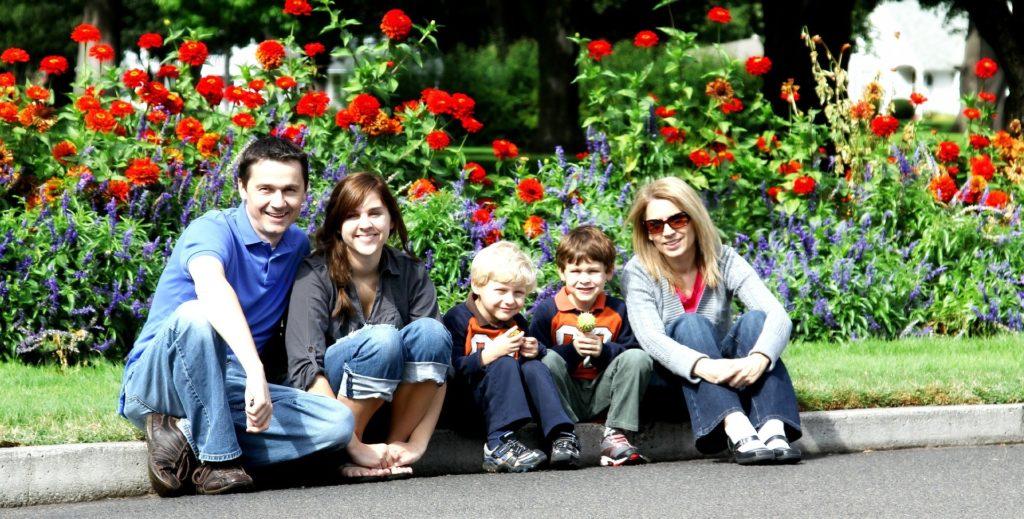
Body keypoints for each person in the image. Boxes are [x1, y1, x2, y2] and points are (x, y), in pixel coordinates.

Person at [118, 135, 378, 497]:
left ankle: (178, 434)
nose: (278, 202)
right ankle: (219, 462)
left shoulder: (296, 245)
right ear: (241, 187)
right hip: (161, 381)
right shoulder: (211, 229)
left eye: (290, 190)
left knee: (336, 424)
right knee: (197, 314)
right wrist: (255, 369)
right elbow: (212, 289)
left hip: (232, 387)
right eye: (265, 189)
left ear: (304, 192)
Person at [620, 176, 802, 465]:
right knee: (691, 324)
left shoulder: (722, 258)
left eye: (677, 220)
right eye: (656, 225)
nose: (668, 232)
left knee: (757, 320)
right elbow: (651, 339)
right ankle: (737, 429)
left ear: (694, 219)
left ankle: (772, 429)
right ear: (648, 234)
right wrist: (705, 367)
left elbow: (778, 315)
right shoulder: (637, 271)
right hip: (673, 385)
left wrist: (759, 358)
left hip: (723, 377)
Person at [283, 172, 451, 481]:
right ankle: (345, 453)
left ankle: (390, 452)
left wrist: (416, 443)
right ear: (337, 224)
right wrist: (351, 443)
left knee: (433, 332)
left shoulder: (411, 272)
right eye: (352, 215)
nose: (366, 224)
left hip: (392, 410)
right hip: (329, 410)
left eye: (375, 213)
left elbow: (439, 368)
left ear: (390, 218)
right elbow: (304, 368)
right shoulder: (314, 274)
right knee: (383, 339)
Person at [442, 241, 581, 472]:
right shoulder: (458, 319)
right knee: (504, 362)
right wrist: (488, 355)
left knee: (534, 367)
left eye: (518, 293)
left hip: (510, 406)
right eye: (501, 291)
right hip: (468, 407)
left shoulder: (518, 322)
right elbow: (451, 371)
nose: (510, 300)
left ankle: (560, 435)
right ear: (477, 286)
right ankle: (498, 445)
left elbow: (527, 367)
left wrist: (536, 350)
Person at [530, 225, 654, 467]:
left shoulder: (618, 310)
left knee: (638, 358)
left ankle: (615, 435)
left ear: (608, 273)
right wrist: (572, 350)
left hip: (603, 392)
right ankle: (563, 434)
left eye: (593, 271)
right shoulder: (548, 311)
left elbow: (632, 350)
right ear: (562, 272)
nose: (584, 279)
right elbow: (535, 358)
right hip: (566, 394)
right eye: (576, 271)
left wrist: (604, 351)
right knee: (546, 361)